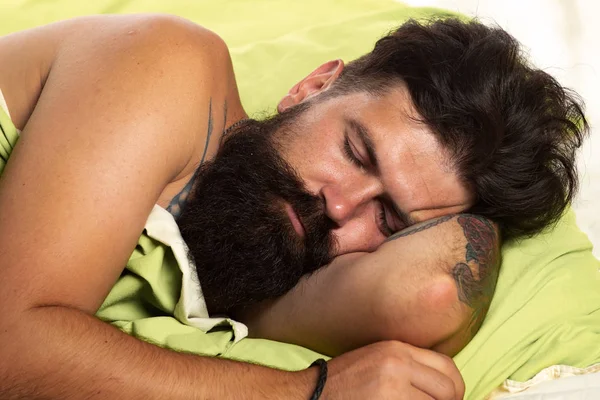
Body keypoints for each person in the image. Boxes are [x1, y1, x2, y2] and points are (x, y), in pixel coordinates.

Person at [0, 12, 586, 399]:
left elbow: (429, 293)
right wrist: (307, 391)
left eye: (387, 219)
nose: (340, 206)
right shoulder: (171, 65)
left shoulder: (243, 275)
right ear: (312, 87)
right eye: (356, 152)